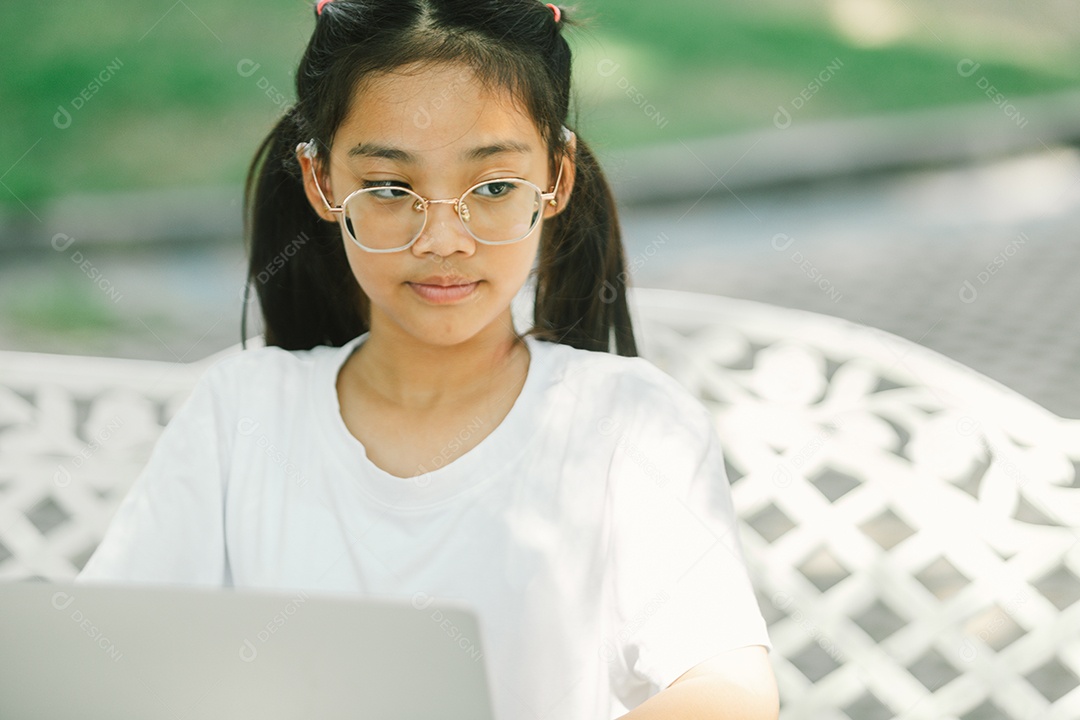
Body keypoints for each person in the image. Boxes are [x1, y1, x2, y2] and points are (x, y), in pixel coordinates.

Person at [76, 1, 778, 717]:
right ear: (322, 182)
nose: (443, 239)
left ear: (557, 177)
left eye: (494, 187)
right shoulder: (241, 412)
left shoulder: (627, 424)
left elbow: (731, 691)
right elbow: (100, 657)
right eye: (389, 188)